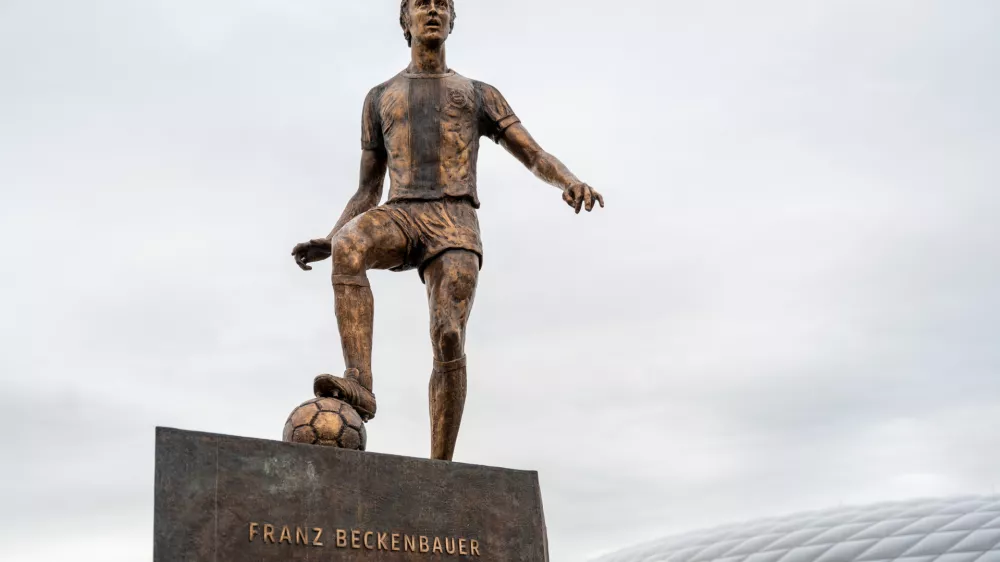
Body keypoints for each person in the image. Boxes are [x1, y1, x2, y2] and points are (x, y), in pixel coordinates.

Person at [291, 0, 604, 461]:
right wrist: (333, 235)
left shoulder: (477, 94)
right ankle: (361, 382)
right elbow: (368, 188)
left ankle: (441, 466)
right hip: (402, 213)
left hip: (454, 219)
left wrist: (569, 181)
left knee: (449, 335)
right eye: (422, 3)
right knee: (351, 245)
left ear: (453, 20)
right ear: (406, 20)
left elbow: (533, 153)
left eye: (443, 4)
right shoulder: (380, 97)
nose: (433, 10)